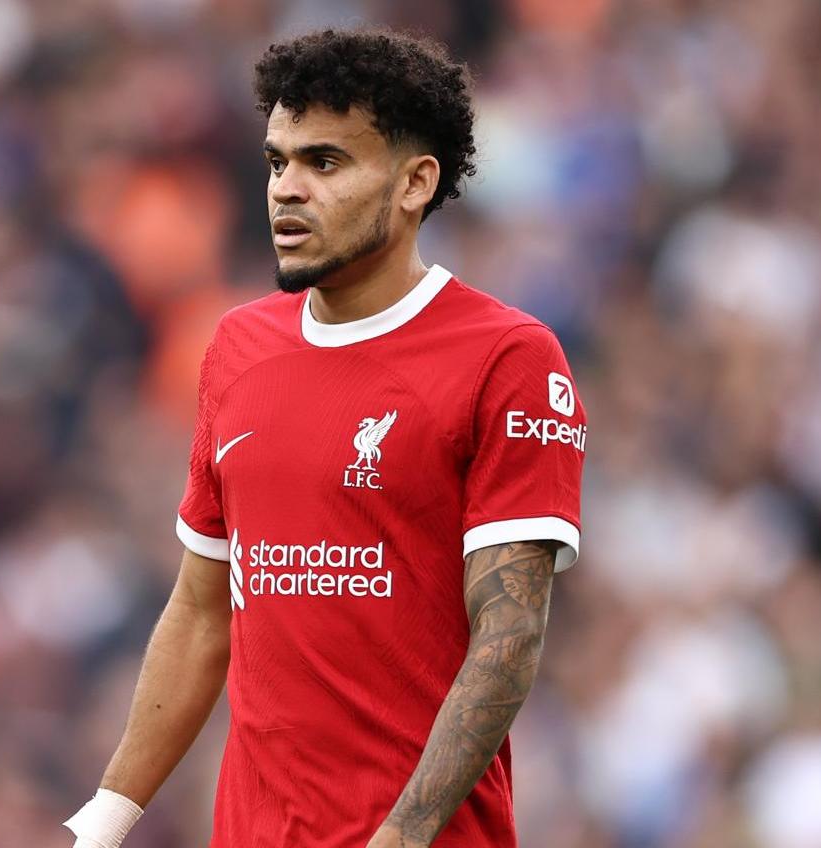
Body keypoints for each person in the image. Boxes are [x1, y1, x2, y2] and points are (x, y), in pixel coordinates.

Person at [63, 27, 589, 848]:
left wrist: (403, 836)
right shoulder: (237, 348)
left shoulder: (506, 357)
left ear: (417, 183)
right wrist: (105, 817)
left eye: (326, 163)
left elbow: (510, 631)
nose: (287, 190)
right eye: (278, 162)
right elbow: (203, 611)